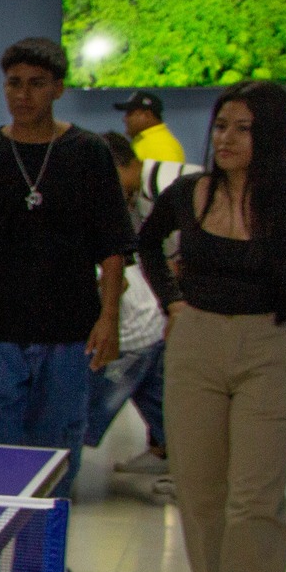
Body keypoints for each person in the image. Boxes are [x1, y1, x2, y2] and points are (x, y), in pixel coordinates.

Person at [0, 37, 135, 572]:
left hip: (68, 335)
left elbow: (113, 250)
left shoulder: (88, 154)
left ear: (58, 88)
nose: (22, 95)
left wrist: (109, 318)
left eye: (35, 84)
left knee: (55, 466)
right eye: (13, 83)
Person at [137, 81, 286, 572]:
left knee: (252, 507)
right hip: (196, 344)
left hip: (272, 346)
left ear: (272, 137)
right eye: (222, 125)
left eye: (243, 128)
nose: (226, 139)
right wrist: (173, 302)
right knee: (201, 496)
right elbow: (147, 244)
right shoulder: (188, 194)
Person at [90, 131, 178, 478]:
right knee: (165, 409)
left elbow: (118, 280)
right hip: (151, 322)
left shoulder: (168, 186)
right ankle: (176, 465)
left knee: (78, 417)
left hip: (133, 333)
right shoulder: (116, 202)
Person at [116, 88, 188, 164]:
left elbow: (170, 171)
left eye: (129, 114)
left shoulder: (161, 145)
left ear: (147, 116)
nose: (124, 119)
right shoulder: (147, 141)